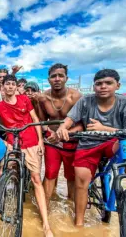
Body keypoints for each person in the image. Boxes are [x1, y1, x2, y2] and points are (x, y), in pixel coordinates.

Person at [56, 69, 126, 226]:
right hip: (88, 144)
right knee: (81, 181)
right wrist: (62, 128)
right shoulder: (86, 101)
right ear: (94, 87)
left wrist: (104, 128)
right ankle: (79, 224)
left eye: (108, 83)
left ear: (117, 85)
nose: (103, 86)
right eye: (99, 84)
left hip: (114, 143)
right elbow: (70, 118)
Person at [0, 74, 54, 237]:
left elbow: (35, 119)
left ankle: (46, 225)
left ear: (15, 86)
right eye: (7, 84)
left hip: (32, 141)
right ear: (2, 87)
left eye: (13, 84)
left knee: (36, 179)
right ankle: (3, 198)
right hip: (13, 141)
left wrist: (40, 140)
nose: (10, 87)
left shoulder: (25, 99)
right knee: (5, 171)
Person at [37, 63, 82, 202]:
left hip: (72, 140)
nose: (57, 79)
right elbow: (41, 121)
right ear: (49, 79)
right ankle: (45, 212)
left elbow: (82, 124)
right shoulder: (43, 97)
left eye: (60, 76)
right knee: (50, 174)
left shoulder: (76, 96)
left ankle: (70, 207)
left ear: (66, 78)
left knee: (71, 177)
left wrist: (64, 134)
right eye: (53, 76)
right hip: (52, 141)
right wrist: (49, 132)